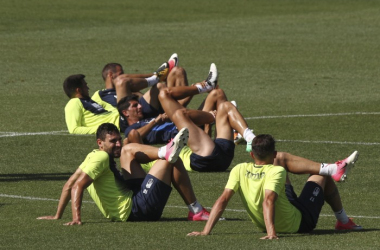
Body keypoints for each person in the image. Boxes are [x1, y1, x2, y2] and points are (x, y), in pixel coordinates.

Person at [187, 134, 362, 238]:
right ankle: (343, 220)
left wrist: (205, 231)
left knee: (280, 169)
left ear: (251, 155)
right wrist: (272, 233)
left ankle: (333, 169)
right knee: (321, 176)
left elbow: (223, 199)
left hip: (271, 218)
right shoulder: (277, 172)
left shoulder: (239, 169)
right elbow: (269, 200)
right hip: (298, 223)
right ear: (274, 152)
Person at [37, 123, 211, 223]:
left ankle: (163, 151)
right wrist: (76, 218)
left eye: (118, 139)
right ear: (100, 143)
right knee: (172, 160)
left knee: (128, 150)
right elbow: (77, 186)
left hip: (133, 196)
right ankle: (196, 210)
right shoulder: (100, 159)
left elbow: (68, 184)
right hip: (136, 210)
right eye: (113, 141)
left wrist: (57, 215)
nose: (118, 144)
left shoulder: (91, 156)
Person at [63, 55, 174, 134]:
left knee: (160, 87)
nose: (88, 87)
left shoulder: (89, 101)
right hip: (121, 119)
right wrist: (104, 129)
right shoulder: (74, 103)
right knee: (122, 81)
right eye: (85, 85)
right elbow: (74, 130)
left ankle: (177, 112)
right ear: (78, 90)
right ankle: (156, 77)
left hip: (127, 114)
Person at [117, 63, 219, 145]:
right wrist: (156, 121)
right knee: (217, 98)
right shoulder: (130, 129)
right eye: (135, 106)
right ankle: (205, 87)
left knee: (217, 94)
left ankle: (204, 86)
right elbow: (135, 135)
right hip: (187, 131)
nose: (140, 106)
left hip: (188, 120)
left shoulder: (147, 118)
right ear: (125, 113)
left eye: (138, 104)